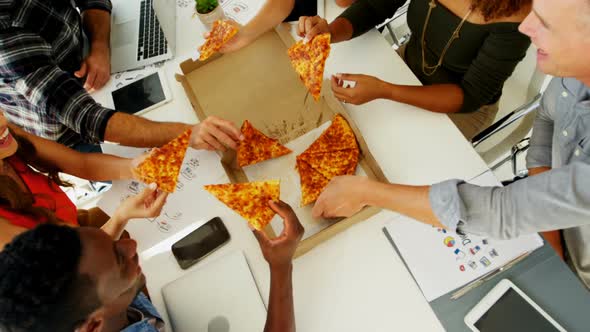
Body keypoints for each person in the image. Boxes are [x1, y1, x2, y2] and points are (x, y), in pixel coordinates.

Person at [312, 0, 590, 289]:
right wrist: (547, 219)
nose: (526, 26)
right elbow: (546, 118)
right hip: (546, 230)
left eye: (545, 23)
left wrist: (366, 191)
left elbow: (500, 211)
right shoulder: (572, 78)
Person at [0, 200, 303, 332]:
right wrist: (281, 267)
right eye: (120, 260)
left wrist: (119, 219)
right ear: (93, 325)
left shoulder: (80, 303)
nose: (132, 246)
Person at [0, 0, 242, 152]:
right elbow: (87, 118)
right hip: (71, 125)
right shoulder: (6, 38)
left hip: (87, 53)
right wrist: (189, 134)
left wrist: (100, 46)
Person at [298, 0, 532, 140]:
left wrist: (386, 91)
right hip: (405, 66)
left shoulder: (518, 16)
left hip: (459, 109)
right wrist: (329, 32)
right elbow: (374, 6)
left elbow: (471, 95)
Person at [0, 109, 207, 248]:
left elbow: (82, 163)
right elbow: (77, 270)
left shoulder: (7, 136)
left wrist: (133, 167)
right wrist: (119, 218)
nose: (3, 121)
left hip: (79, 227)